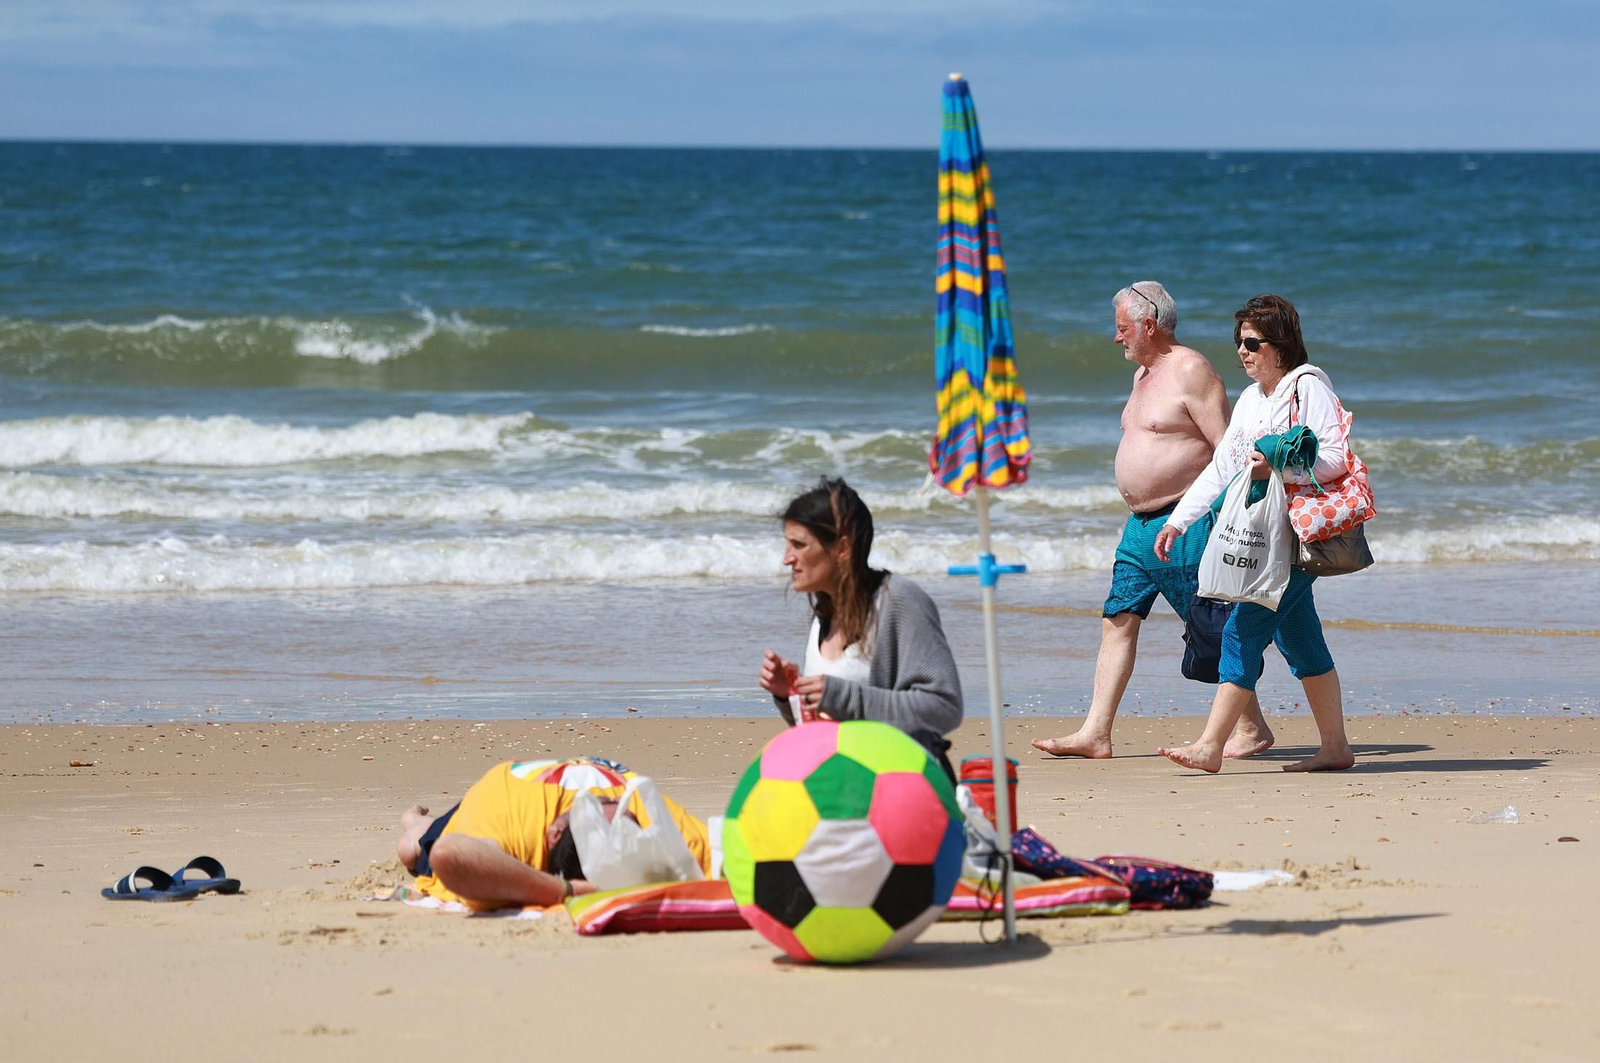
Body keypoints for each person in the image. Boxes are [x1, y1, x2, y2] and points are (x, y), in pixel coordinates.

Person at [1033, 282, 1272, 760]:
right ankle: (1096, 732)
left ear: (1149, 325)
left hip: (1184, 522)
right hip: (1139, 526)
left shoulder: (1192, 370)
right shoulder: (1143, 374)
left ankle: (1252, 728)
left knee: (1208, 626)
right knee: (1118, 618)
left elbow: (1227, 452)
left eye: (1122, 329)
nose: (1116, 338)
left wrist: (1225, 525)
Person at [1153, 294, 1356, 773]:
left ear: (1280, 344)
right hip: (1261, 537)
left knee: (1242, 630)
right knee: (1301, 638)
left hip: (1294, 536)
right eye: (1238, 342)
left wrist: (1278, 464)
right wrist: (1179, 519)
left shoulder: (1308, 389)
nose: (1242, 351)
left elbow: (1335, 459)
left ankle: (1210, 745)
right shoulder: (1250, 399)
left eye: (1252, 342)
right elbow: (1222, 468)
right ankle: (1335, 747)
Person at [756, 478, 963, 775]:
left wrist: (843, 696)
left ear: (842, 548)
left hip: (904, 789)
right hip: (846, 786)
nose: (787, 558)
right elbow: (830, 734)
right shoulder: (824, 614)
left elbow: (945, 708)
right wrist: (788, 695)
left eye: (799, 545)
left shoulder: (899, 601)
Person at [395, 758, 712, 909]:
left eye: (601, 803)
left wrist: (567, 891)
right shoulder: (653, 819)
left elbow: (449, 853)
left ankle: (415, 822)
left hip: (486, 807)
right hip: (517, 785)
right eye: (610, 802)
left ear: (555, 830)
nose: (615, 797)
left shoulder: (516, 834)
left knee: (413, 846)